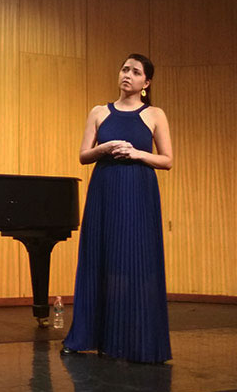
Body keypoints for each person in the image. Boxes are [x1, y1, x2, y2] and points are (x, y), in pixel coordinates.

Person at [61, 54, 173, 363]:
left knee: (134, 260)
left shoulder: (154, 114)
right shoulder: (98, 111)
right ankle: (88, 337)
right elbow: (84, 156)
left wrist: (137, 153)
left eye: (136, 72)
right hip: (105, 189)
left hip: (138, 191)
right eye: (125, 68)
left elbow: (167, 160)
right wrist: (105, 148)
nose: (128, 74)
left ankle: (135, 340)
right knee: (100, 259)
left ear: (145, 83)